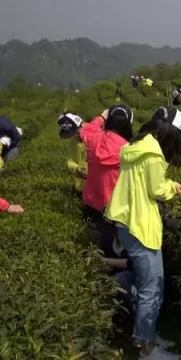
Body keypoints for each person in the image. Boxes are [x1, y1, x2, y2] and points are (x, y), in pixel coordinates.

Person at [105, 119, 181, 360]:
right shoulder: (151, 154)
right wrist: (172, 186)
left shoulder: (136, 148)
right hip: (141, 226)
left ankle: (146, 336)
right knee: (151, 290)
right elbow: (156, 190)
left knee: (152, 285)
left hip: (130, 224)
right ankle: (147, 352)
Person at [79, 105, 133, 253]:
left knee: (97, 238)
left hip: (92, 201)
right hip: (114, 205)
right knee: (116, 244)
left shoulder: (93, 139)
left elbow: (86, 129)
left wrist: (101, 117)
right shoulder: (127, 148)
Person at [57, 112, 88, 194]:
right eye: (73, 134)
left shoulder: (97, 135)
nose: (75, 136)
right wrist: (77, 168)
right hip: (82, 186)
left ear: (81, 124)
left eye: (76, 132)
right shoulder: (72, 143)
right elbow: (70, 160)